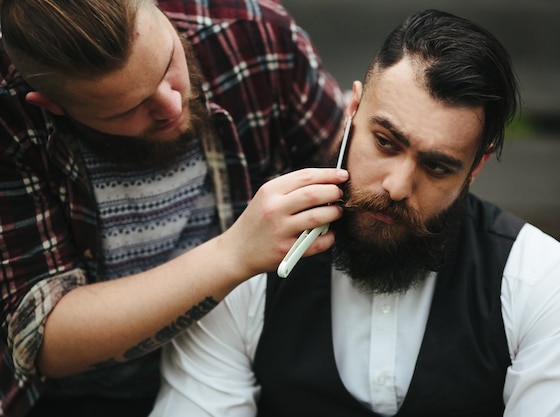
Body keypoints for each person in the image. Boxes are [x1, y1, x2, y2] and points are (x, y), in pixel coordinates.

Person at [150, 8, 560, 417]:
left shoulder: (547, 289)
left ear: (475, 167)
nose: (397, 186)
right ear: (352, 110)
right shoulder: (251, 269)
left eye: (436, 166)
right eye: (385, 142)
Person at [0, 0, 348, 415]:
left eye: (167, 64)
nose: (171, 104)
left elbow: (345, 160)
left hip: (255, 363)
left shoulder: (255, 33)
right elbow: (42, 341)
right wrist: (234, 253)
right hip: (85, 399)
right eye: (127, 109)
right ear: (51, 105)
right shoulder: (10, 116)